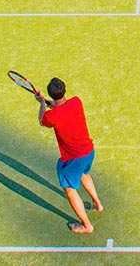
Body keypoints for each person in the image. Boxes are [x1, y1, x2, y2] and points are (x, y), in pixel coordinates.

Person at [36, 77, 103, 233]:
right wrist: (49, 103)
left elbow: (42, 119)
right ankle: (97, 204)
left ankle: (87, 226)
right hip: (88, 151)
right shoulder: (76, 102)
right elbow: (61, 107)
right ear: (64, 90)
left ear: (51, 94)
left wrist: (41, 103)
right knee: (84, 174)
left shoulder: (51, 117)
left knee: (70, 190)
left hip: (73, 160)